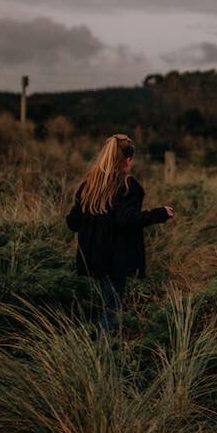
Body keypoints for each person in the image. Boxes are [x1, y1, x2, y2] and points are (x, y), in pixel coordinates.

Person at [66, 133, 173, 332]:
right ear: (128, 160)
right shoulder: (127, 186)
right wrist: (160, 213)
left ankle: (91, 347)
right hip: (115, 261)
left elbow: (72, 223)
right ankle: (105, 354)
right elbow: (127, 220)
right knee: (112, 310)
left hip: (90, 260)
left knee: (99, 308)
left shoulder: (88, 185)